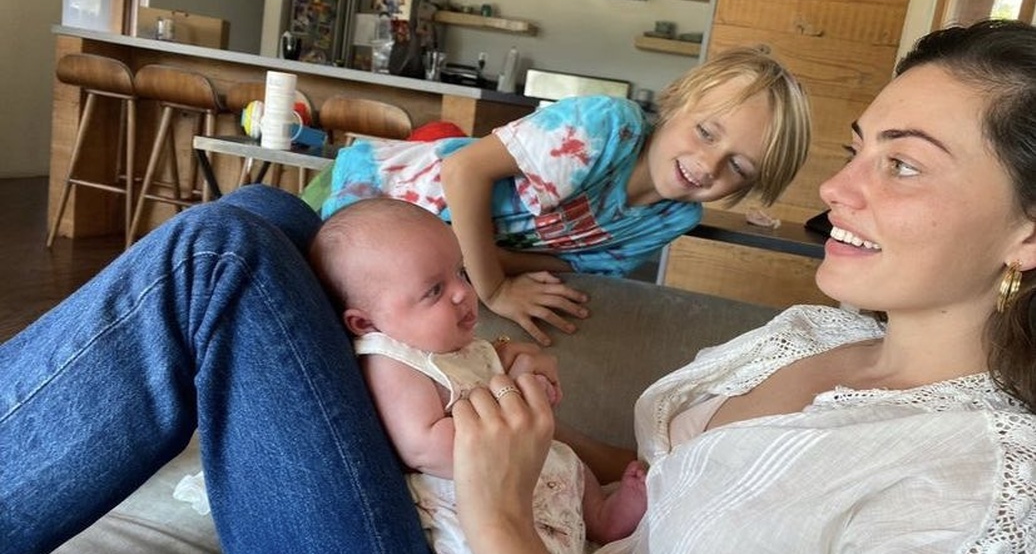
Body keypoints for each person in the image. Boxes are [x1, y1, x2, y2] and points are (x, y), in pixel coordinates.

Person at [2, 19, 1034, 554]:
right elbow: (660, 470)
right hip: (485, 531)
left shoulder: (969, 480)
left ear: (1026, 233)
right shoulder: (812, 336)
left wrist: (498, 512)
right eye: (857, 150)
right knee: (266, 219)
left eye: (902, 164)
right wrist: (529, 425)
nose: (837, 192)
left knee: (219, 254)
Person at [306, 47, 812, 345]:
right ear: (678, 103)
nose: (709, 164)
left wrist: (472, 261)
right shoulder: (607, 127)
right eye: (705, 131)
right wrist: (494, 289)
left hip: (426, 265)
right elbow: (463, 171)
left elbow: (564, 265)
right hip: (371, 197)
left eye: (739, 166)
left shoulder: (673, 218)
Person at [308, 197, 647, 554]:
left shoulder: (458, 345)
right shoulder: (392, 361)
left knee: (572, 464)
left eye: (460, 272)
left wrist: (533, 392)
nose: (463, 293)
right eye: (434, 290)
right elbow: (420, 444)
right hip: (475, 495)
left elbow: (508, 386)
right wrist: (512, 427)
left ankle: (602, 517)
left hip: (526, 478)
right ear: (366, 323)